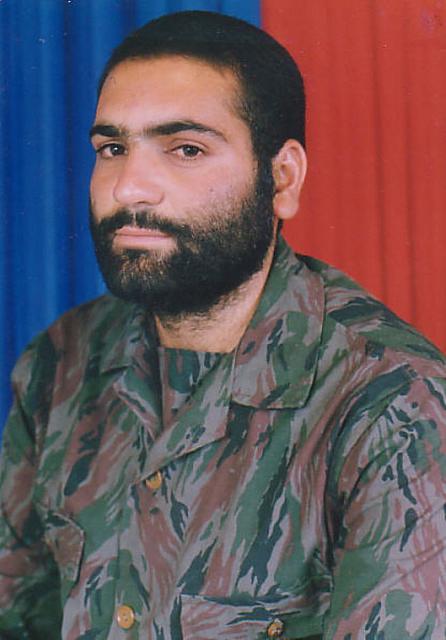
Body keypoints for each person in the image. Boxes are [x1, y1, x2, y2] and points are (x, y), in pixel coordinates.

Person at [0, 10, 445, 639]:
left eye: (186, 149)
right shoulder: (61, 361)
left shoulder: (393, 405)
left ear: (282, 178)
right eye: (113, 149)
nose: (129, 188)